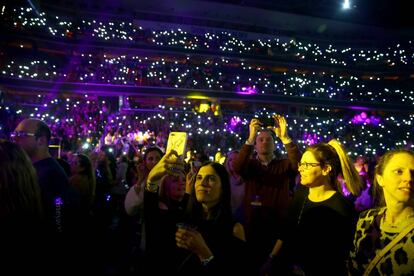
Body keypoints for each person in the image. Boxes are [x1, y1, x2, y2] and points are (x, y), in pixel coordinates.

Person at [263, 139, 362, 276]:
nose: (300, 168)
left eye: (307, 165)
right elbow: (287, 229)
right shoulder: (301, 193)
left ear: (326, 169)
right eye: (301, 164)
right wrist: (271, 257)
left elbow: (339, 255)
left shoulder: (341, 207)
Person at [145, 151, 250, 275]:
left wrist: (204, 253)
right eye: (199, 178)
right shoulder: (184, 217)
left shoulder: (234, 229)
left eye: (210, 178)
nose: (202, 183)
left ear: (223, 187)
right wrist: (152, 181)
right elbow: (152, 222)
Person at [232, 114, 301, 272]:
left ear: (275, 146)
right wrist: (250, 138)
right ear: (255, 146)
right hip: (252, 229)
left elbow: (298, 165)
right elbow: (237, 167)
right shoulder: (250, 165)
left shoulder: (283, 165)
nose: (264, 142)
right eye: (260, 140)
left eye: (269, 139)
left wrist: (285, 138)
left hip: (278, 230)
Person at [349, 149, 414, 275]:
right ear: (380, 179)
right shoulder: (365, 219)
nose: (408, 178)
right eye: (399, 171)